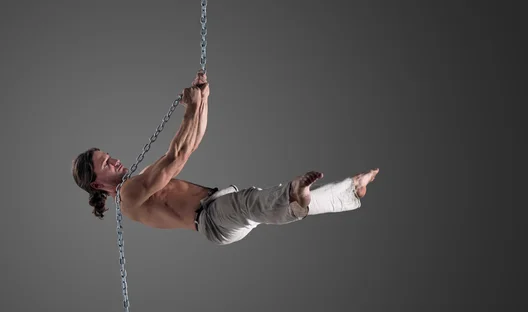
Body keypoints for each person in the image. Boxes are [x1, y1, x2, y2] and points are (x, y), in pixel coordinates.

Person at [72, 70, 379, 245]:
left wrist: (203, 100)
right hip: (211, 218)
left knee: (262, 207)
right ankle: (294, 194)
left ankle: (348, 192)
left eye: (109, 156)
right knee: (254, 203)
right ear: (97, 184)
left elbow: (192, 144)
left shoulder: (136, 182)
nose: (114, 161)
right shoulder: (127, 195)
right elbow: (176, 157)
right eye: (106, 163)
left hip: (219, 207)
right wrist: (191, 109)